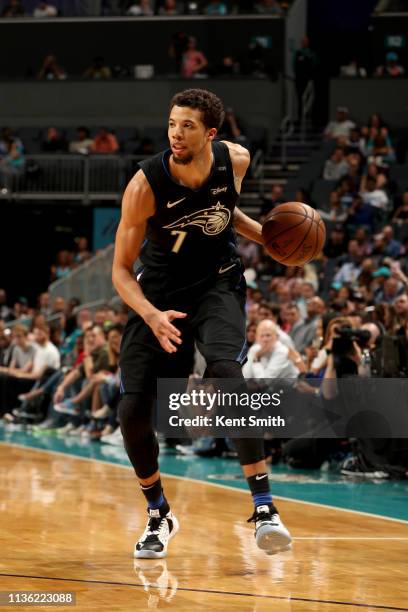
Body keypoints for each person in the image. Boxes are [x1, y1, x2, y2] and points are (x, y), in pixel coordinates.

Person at [112, 88, 292, 559]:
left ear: (211, 133)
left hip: (217, 284)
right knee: (132, 409)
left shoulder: (235, 160)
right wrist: (149, 313)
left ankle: (264, 505)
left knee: (227, 376)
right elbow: (119, 270)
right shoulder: (145, 185)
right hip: (159, 296)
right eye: (172, 123)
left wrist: (271, 238)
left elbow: (223, 213)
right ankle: (158, 513)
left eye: (187, 125)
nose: (175, 133)